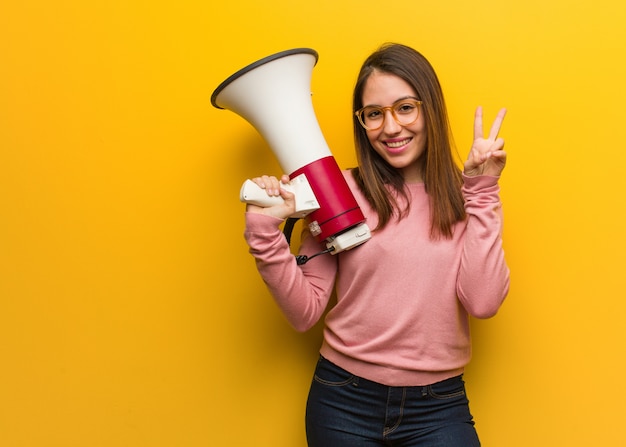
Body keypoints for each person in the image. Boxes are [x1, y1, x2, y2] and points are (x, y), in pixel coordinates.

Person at [243, 43, 510, 447]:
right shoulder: (337, 193)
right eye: (374, 114)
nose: (390, 128)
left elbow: (483, 301)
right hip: (342, 402)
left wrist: (483, 191)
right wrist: (265, 233)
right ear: (362, 122)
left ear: (430, 110)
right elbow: (304, 313)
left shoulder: (466, 196)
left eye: (405, 107)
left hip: (438, 407)